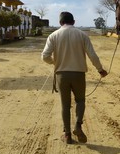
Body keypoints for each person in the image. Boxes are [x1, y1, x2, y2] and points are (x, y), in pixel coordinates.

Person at [41, 12, 108, 144]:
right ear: (74, 21)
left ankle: (67, 135)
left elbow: (44, 56)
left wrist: (54, 62)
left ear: (60, 23)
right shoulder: (82, 35)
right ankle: (78, 125)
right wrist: (100, 69)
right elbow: (92, 55)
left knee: (65, 105)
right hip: (78, 74)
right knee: (80, 101)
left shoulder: (53, 36)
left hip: (61, 75)